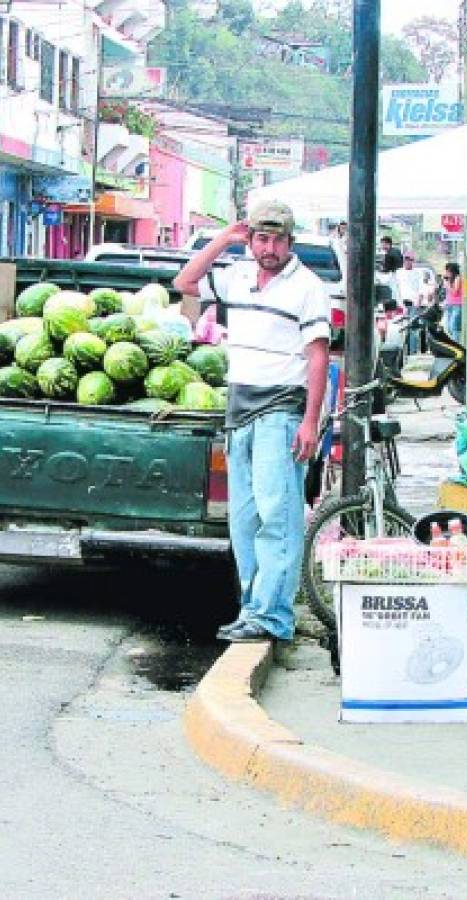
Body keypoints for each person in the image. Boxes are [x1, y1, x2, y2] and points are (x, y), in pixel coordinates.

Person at [173, 201, 330, 643]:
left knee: (276, 516)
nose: (270, 248)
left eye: (278, 239)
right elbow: (184, 281)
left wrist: (310, 421)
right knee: (243, 520)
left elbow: (317, 357)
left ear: (290, 241)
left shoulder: (307, 287)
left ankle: (273, 616)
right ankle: (252, 607)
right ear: (251, 239)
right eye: (262, 238)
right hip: (238, 412)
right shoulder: (236, 275)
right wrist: (222, 239)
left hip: (281, 412)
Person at [443, 262, 463, 340]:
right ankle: (452, 342)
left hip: (457, 305)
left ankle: (456, 343)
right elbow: (448, 294)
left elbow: (454, 292)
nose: (447, 273)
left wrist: (447, 284)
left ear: (453, 271)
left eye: (448, 271)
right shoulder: (449, 280)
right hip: (449, 305)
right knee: (448, 327)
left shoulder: (458, 278)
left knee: (453, 327)